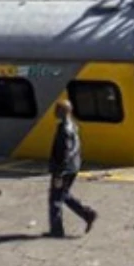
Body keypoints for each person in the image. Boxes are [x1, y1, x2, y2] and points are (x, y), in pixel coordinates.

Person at [47, 101, 97, 237]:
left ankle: (57, 231)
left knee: (55, 199)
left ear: (64, 111)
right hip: (72, 167)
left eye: (57, 110)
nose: (54, 112)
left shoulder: (64, 129)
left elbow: (66, 152)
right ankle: (87, 214)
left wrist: (59, 172)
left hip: (64, 169)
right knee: (63, 194)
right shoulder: (72, 125)